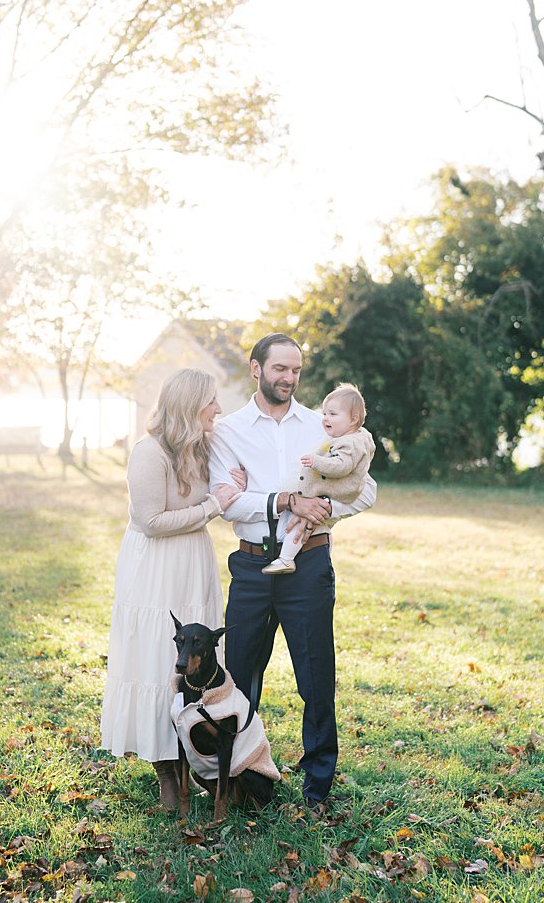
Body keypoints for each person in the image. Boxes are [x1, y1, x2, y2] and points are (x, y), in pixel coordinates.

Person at [208, 334, 376, 811]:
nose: (289, 377)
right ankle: (241, 778)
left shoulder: (322, 424)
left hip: (309, 565)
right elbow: (227, 502)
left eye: (296, 369)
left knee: (316, 677)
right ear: (256, 368)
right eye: (280, 368)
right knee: (239, 677)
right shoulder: (229, 430)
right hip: (252, 564)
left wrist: (326, 507)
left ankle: (317, 785)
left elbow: (365, 490)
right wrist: (282, 500)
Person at [100, 368, 241, 809]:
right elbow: (151, 521)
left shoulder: (202, 447)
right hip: (155, 569)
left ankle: (197, 760)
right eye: (210, 402)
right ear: (188, 406)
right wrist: (214, 506)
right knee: (155, 664)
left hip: (192, 564)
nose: (218, 409)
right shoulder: (149, 453)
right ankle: (166, 775)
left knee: (193, 663)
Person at [264, 382, 375, 575]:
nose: (325, 419)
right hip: (311, 496)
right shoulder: (338, 435)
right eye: (324, 413)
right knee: (301, 519)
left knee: (302, 519)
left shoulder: (352, 442)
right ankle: (286, 558)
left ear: (353, 419)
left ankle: (286, 558)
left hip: (332, 493)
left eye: (332, 414)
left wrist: (316, 462)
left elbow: (342, 466)